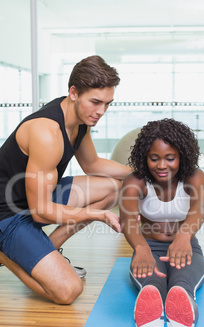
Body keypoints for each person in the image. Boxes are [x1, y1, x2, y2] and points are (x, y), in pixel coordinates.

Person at [0, 55, 131, 304]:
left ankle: (47, 250)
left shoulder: (80, 120)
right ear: (73, 92)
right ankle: (6, 256)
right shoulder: (46, 133)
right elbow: (41, 213)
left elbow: (92, 164)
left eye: (107, 103)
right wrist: (97, 215)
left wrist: (144, 174)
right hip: (8, 215)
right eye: (95, 102)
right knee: (68, 291)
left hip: (35, 198)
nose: (101, 111)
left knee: (114, 188)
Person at [120, 118, 204, 327]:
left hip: (185, 247)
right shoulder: (135, 182)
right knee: (152, 287)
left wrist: (184, 236)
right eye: (154, 158)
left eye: (170, 157)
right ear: (143, 157)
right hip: (148, 248)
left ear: (182, 155)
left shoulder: (194, 177)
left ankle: (183, 321)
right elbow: (127, 218)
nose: (162, 165)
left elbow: (200, 208)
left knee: (181, 287)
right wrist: (140, 248)